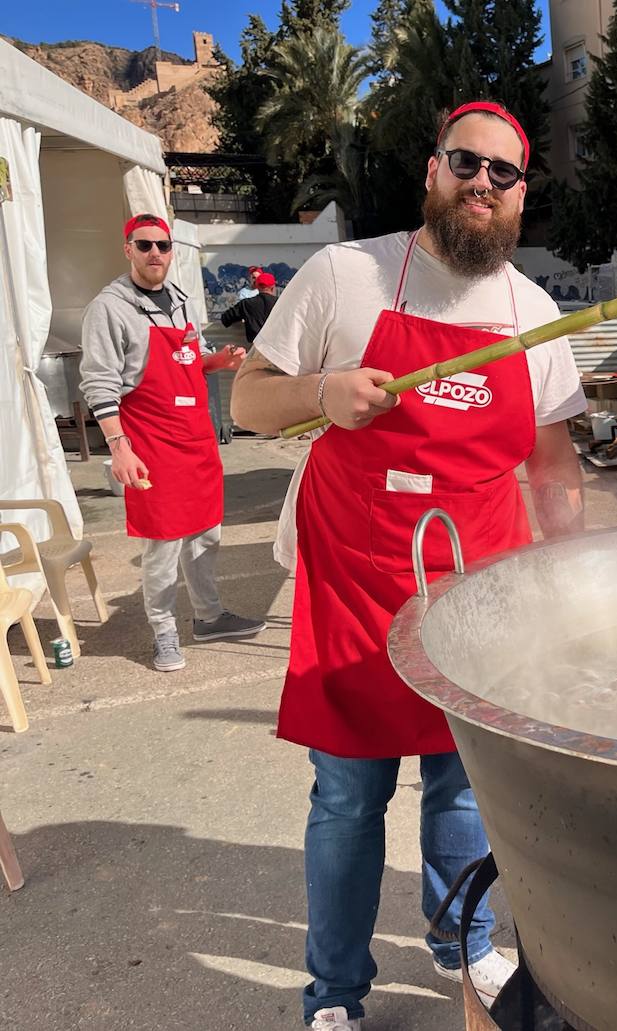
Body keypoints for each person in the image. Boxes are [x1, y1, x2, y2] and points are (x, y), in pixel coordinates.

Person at [230, 101, 587, 1031]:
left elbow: (550, 464)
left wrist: (579, 581)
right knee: (348, 798)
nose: (483, 183)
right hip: (357, 578)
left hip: (480, 595)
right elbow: (248, 402)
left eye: (503, 173)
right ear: (432, 172)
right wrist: (321, 392)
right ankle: (336, 993)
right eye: (466, 163)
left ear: (521, 196)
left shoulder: (535, 313)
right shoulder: (346, 275)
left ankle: (457, 942)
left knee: (465, 788)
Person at [79, 213, 266, 672]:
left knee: (206, 535)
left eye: (162, 245)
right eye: (144, 246)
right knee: (162, 546)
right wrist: (119, 446)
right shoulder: (109, 308)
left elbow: (187, 355)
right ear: (128, 249)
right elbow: (99, 383)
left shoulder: (181, 300)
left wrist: (214, 360)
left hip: (196, 440)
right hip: (150, 444)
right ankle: (164, 631)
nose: (155, 254)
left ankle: (209, 616)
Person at [219, 270, 279, 345]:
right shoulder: (281, 303)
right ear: (273, 287)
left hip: (256, 347)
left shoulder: (246, 304)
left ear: (257, 286)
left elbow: (225, 319)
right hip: (278, 348)